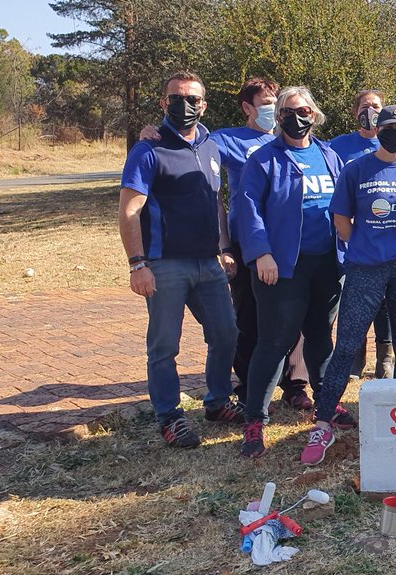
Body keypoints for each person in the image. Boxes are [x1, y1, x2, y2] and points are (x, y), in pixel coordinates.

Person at [302, 105, 396, 465]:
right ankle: (323, 422)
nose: (394, 133)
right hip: (365, 266)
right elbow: (341, 217)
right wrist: (363, 245)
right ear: (377, 131)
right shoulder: (356, 169)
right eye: (387, 127)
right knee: (347, 344)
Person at [118, 71, 242, 447]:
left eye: (192, 99)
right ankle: (170, 417)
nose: (184, 105)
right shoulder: (148, 150)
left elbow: (215, 203)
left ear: (203, 105)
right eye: (176, 98)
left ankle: (217, 402)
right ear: (163, 102)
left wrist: (224, 249)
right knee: (164, 346)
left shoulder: (210, 146)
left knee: (226, 334)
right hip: (164, 264)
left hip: (208, 263)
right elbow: (129, 211)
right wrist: (137, 264)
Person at [235, 87, 346, 459]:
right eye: (286, 111)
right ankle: (254, 420)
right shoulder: (264, 159)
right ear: (279, 116)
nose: (295, 117)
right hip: (281, 267)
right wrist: (261, 253)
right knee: (274, 342)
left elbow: (345, 205)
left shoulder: (329, 155)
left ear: (314, 115)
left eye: (302, 111)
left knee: (320, 336)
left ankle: (327, 404)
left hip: (326, 263)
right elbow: (247, 209)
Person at [208, 78, 314, 413]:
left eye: (275, 102)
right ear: (247, 107)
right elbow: (191, 145)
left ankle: (295, 384)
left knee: (297, 315)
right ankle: (249, 385)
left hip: (291, 243)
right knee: (249, 316)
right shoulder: (228, 140)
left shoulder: (292, 137)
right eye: (266, 104)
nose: (273, 109)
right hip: (249, 242)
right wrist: (153, 133)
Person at [330, 89, 396, 379]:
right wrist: (355, 239)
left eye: (376, 106)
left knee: (388, 303)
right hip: (356, 243)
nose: (370, 111)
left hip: (394, 246)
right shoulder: (338, 147)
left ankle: (386, 356)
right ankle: (356, 357)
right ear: (355, 112)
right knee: (357, 300)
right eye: (365, 106)